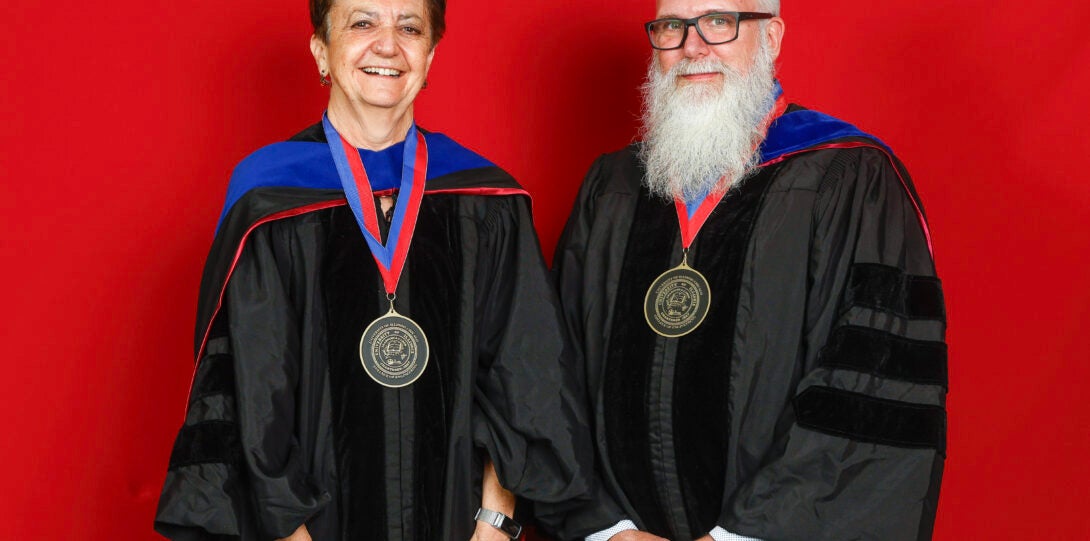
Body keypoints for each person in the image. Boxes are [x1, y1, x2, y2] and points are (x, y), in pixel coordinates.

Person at [154, 0, 600, 539]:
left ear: (430, 56)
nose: (387, 44)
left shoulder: (485, 200)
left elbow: (527, 375)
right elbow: (250, 390)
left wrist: (494, 524)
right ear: (322, 49)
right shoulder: (269, 198)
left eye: (409, 27)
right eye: (362, 22)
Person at [554, 1, 947, 540]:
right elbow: (554, 373)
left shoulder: (848, 179)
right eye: (673, 26)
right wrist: (607, 528)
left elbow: (868, 392)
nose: (693, 47)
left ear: (773, 36)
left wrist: (738, 537)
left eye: (719, 21)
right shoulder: (613, 187)